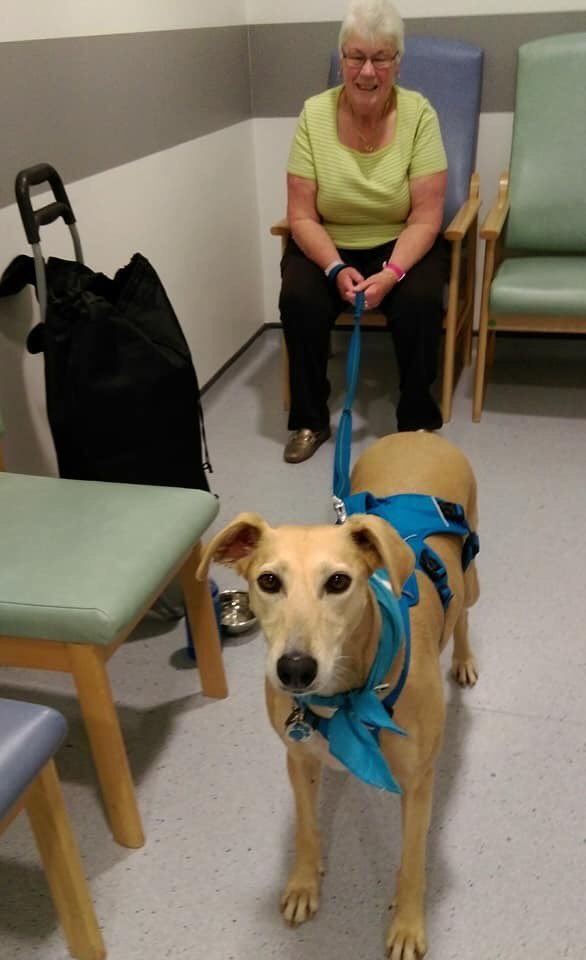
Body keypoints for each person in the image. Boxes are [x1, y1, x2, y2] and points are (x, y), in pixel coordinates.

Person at [279, 0, 449, 464]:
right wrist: (334, 267)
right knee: (299, 298)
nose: (368, 71)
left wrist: (392, 273)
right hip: (328, 243)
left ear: (398, 62)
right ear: (342, 59)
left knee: (420, 300)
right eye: (356, 57)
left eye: (381, 58)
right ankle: (310, 419)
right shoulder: (314, 114)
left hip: (399, 242)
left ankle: (415, 419)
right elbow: (301, 215)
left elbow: (426, 217)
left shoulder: (419, 114)